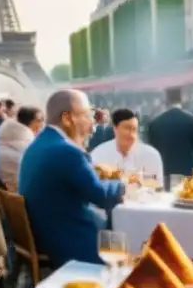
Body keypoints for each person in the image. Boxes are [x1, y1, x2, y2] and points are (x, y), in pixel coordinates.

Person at [19, 90, 125, 268]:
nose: (92, 123)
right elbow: (100, 195)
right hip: (72, 240)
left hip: (47, 232)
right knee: (131, 240)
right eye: (87, 115)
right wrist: (124, 185)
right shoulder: (66, 151)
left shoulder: (39, 143)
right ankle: (120, 283)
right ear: (67, 118)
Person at [145, 87, 193, 187]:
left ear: (166, 99)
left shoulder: (155, 123)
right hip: (186, 173)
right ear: (182, 98)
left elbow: (150, 150)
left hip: (163, 173)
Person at [90, 108, 164, 184]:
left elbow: (157, 188)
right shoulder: (99, 155)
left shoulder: (151, 156)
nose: (131, 135)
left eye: (134, 129)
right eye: (127, 128)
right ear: (115, 129)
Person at [0, 105, 42, 191]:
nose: (41, 125)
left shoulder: (2, 140)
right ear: (32, 122)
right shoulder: (28, 148)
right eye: (39, 121)